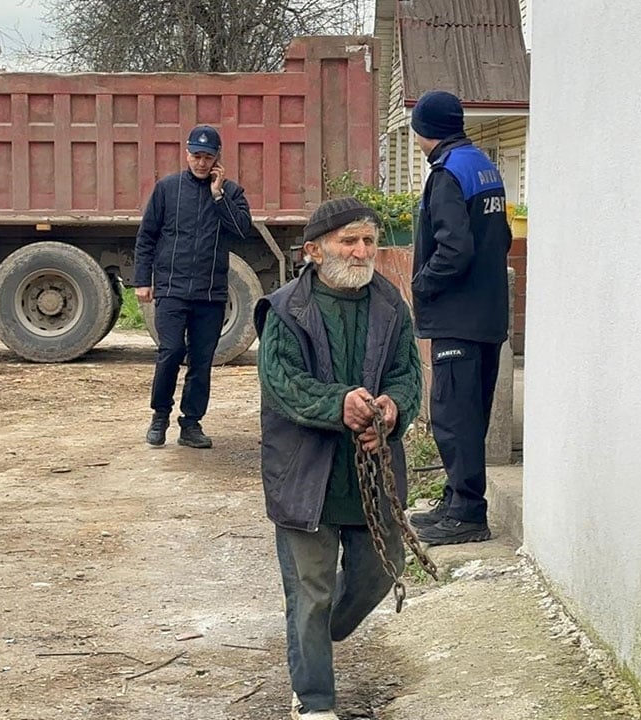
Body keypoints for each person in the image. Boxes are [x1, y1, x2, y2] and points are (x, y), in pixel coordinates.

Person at [255, 197, 422, 720]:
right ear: (314, 250)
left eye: (369, 240)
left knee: (382, 570)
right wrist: (339, 405)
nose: (361, 250)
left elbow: (407, 374)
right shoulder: (285, 308)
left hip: (370, 474)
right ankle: (314, 701)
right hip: (305, 474)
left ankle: (310, 635)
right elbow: (282, 383)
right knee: (311, 589)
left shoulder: (390, 303)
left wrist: (393, 410)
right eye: (349, 240)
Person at [405, 90, 513, 546]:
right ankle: (456, 500)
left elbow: (454, 248)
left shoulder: (447, 174)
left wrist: (422, 283)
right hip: (487, 313)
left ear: (426, 131)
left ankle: (467, 513)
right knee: (472, 412)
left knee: (454, 415)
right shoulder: (484, 166)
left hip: (458, 317)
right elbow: (503, 236)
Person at [133, 125, 253, 449]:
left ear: (217, 159)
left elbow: (242, 229)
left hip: (211, 294)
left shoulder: (231, 193)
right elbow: (147, 237)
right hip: (172, 290)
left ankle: (191, 424)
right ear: (187, 155)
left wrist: (218, 195)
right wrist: (142, 280)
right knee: (170, 352)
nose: (201, 163)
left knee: (201, 362)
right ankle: (159, 416)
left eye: (207, 157)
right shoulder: (167, 189)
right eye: (196, 156)